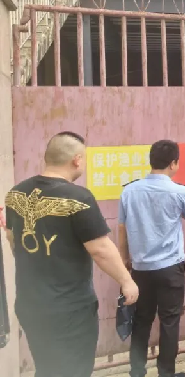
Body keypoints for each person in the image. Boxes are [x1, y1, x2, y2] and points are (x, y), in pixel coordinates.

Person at [3, 132, 139, 377]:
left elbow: (12, 239)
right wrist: (126, 280)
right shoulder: (78, 197)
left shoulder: (15, 194)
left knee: (47, 368)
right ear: (77, 160)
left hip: (30, 304)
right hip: (70, 309)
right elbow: (100, 249)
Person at [118, 140, 185, 378]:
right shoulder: (180, 192)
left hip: (140, 268)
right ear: (174, 163)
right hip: (170, 268)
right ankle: (166, 373)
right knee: (169, 322)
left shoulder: (129, 191)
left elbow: (122, 229)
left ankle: (137, 372)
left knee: (141, 321)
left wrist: (125, 261)